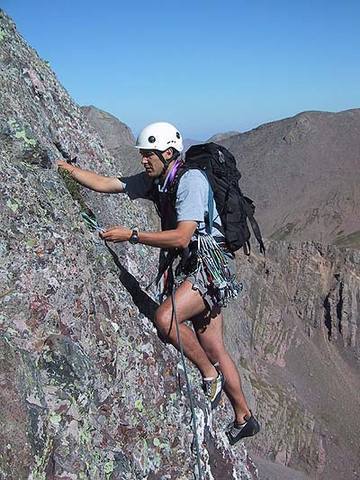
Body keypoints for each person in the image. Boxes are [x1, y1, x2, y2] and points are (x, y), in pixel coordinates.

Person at [57, 121, 260, 444]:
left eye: (148, 154)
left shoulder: (190, 181)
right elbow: (110, 184)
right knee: (213, 345)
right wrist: (68, 170)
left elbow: (181, 238)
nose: (143, 160)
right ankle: (244, 417)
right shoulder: (159, 181)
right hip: (200, 266)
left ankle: (210, 376)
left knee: (166, 319)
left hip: (207, 267)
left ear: (167, 153)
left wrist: (132, 235)